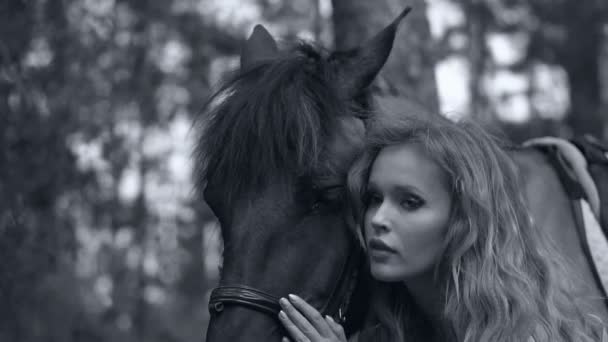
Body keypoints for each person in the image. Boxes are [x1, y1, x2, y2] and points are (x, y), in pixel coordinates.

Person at [277, 114, 605, 341]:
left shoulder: (524, 331)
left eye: (410, 202)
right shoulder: (388, 326)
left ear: (465, 221)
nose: (378, 219)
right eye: (374, 198)